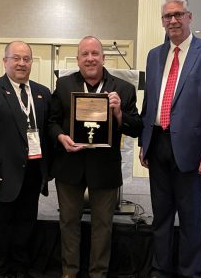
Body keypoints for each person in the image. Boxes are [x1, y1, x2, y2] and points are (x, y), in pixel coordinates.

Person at [139, 0, 201, 278]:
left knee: (192, 218)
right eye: (167, 16)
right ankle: (160, 269)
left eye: (178, 14)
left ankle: (190, 272)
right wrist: (145, 143)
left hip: (193, 151)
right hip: (158, 145)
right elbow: (150, 105)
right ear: (162, 21)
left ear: (190, 17)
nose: (173, 20)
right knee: (161, 216)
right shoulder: (154, 55)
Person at [48, 36, 142, 278]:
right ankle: (69, 272)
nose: (90, 58)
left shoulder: (123, 89)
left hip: (105, 168)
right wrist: (61, 138)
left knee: (103, 226)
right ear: (78, 59)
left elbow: (136, 127)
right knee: (68, 223)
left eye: (95, 54)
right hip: (70, 166)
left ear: (103, 57)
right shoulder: (64, 85)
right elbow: (52, 122)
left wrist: (119, 112)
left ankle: (98, 273)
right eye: (85, 54)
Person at [0, 41, 51, 278]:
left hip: (32, 176)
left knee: (25, 230)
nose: (21, 63)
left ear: (32, 63)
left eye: (26, 59)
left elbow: (46, 132)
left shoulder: (42, 92)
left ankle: (19, 272)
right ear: (5, 61)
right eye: (16, 58)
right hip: (0, 178)